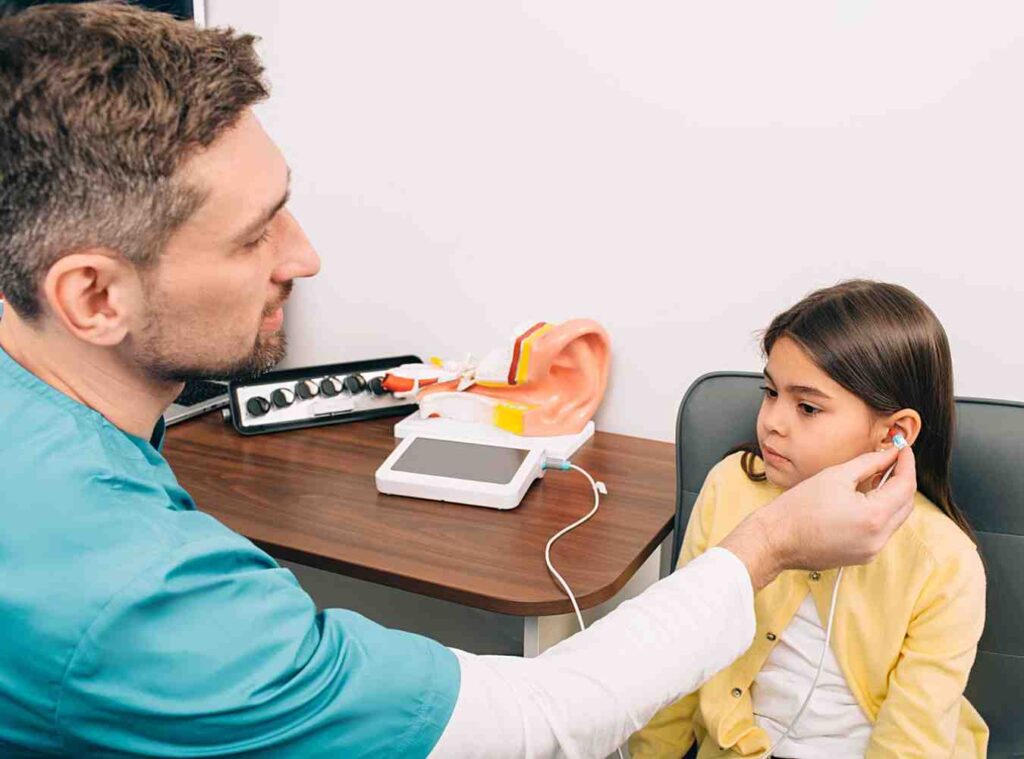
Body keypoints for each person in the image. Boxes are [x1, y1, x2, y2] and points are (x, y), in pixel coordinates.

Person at [0, 5, 918, 757]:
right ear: (93, 296)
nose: (304, 257)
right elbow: (537, 718)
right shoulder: (127, 589)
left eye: (286, 207)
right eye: (253, 235)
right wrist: (768, 544)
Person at [630, 281, 987, 758]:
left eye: (808, 407)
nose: (772, 422)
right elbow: (680, 656)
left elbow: (912, 741)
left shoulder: (945, 562)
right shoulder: (729, 487)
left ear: (894, 434)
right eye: (770, 392)